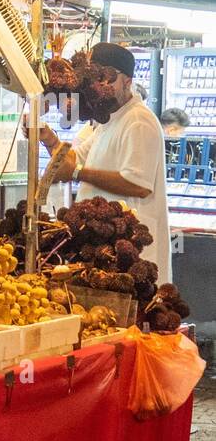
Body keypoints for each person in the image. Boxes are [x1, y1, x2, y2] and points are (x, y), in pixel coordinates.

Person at [41, 41, 171, 281]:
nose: (101, 85)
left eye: (109, 77)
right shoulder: (108, 122)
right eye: (96, 78)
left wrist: (78, 173)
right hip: (104, 248)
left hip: (133, 256)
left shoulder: (139, 121)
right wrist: (49, 138)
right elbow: (73, 159)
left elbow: (138, 184)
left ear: (128, 81)